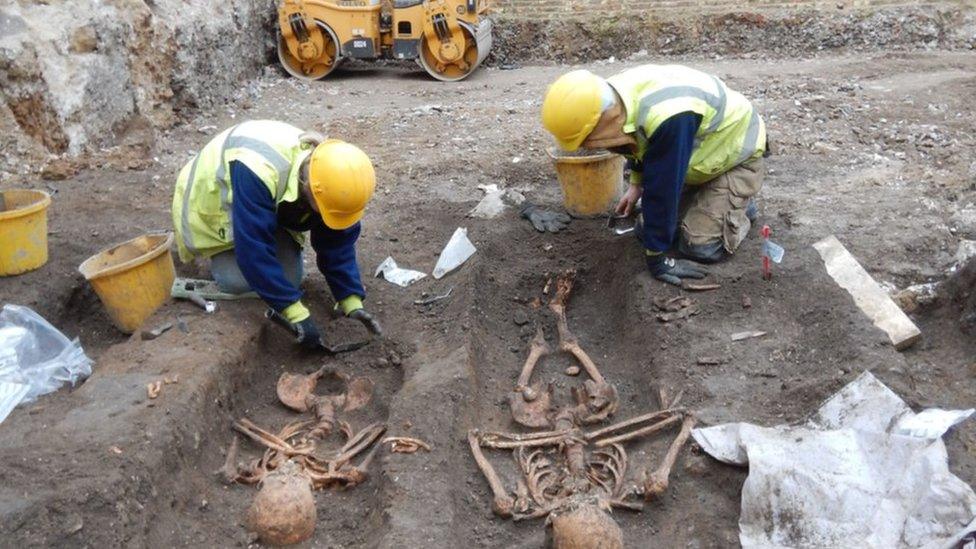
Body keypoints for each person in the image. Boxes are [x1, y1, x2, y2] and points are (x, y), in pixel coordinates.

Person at [541, 65, 767, 286]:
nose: (589, 147)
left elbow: (663, 189)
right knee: (645, 229)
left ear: (599, 122)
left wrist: (658, 260)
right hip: (699, 159)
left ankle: (742, 210)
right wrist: (636, 185)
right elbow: (639, 141)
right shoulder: (611, 98)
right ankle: (716, 203)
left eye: (586, 140)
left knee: (699, 247)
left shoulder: (668, 117)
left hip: (735, 158)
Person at [171, 120, 382, 348]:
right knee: (237, 281)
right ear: (309, 188)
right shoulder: (259, 170)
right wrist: (295, 312)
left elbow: (337, 240)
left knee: (289, 278)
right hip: (213, 203)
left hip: (259, 200)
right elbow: (253, 250)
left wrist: (351, 300)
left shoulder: (332, 179)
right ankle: (222, 258)